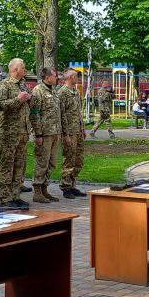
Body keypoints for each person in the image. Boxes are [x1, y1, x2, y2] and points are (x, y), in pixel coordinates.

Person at [0, 59, 33, 207]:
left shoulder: (23, 84)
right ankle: (5, 198)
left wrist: (30, 98)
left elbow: (28, 104)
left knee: (19, 165)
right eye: (23, 67)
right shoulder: (4, 85)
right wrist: (18, 100)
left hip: (23, 131)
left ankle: (16, 195)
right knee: (7, 165)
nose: (25, 69)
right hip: (8, 133)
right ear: (15, 69)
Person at [29, 68, 61, 204]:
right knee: (42, 162)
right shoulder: (38, 91)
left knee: (52, 163)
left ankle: (44, 188)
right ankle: (37, 191)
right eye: (55, 75)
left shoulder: (54, 90)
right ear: (47, 77)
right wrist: (38, 134)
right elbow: (34, 114)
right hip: (44, 133)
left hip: (55, 132)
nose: (57, 78)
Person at [56, 69, 86, 199]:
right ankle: (66, 187)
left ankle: (73, 185)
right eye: (76, 76)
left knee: (78, 159)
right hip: (69, 132)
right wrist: (65, 134)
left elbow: (79, 112)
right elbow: (61, 114)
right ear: (70, 77)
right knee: (69, 159)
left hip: (78, 131)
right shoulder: (62, 92)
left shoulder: (76, 91)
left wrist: (82, 128)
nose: (78, 78)